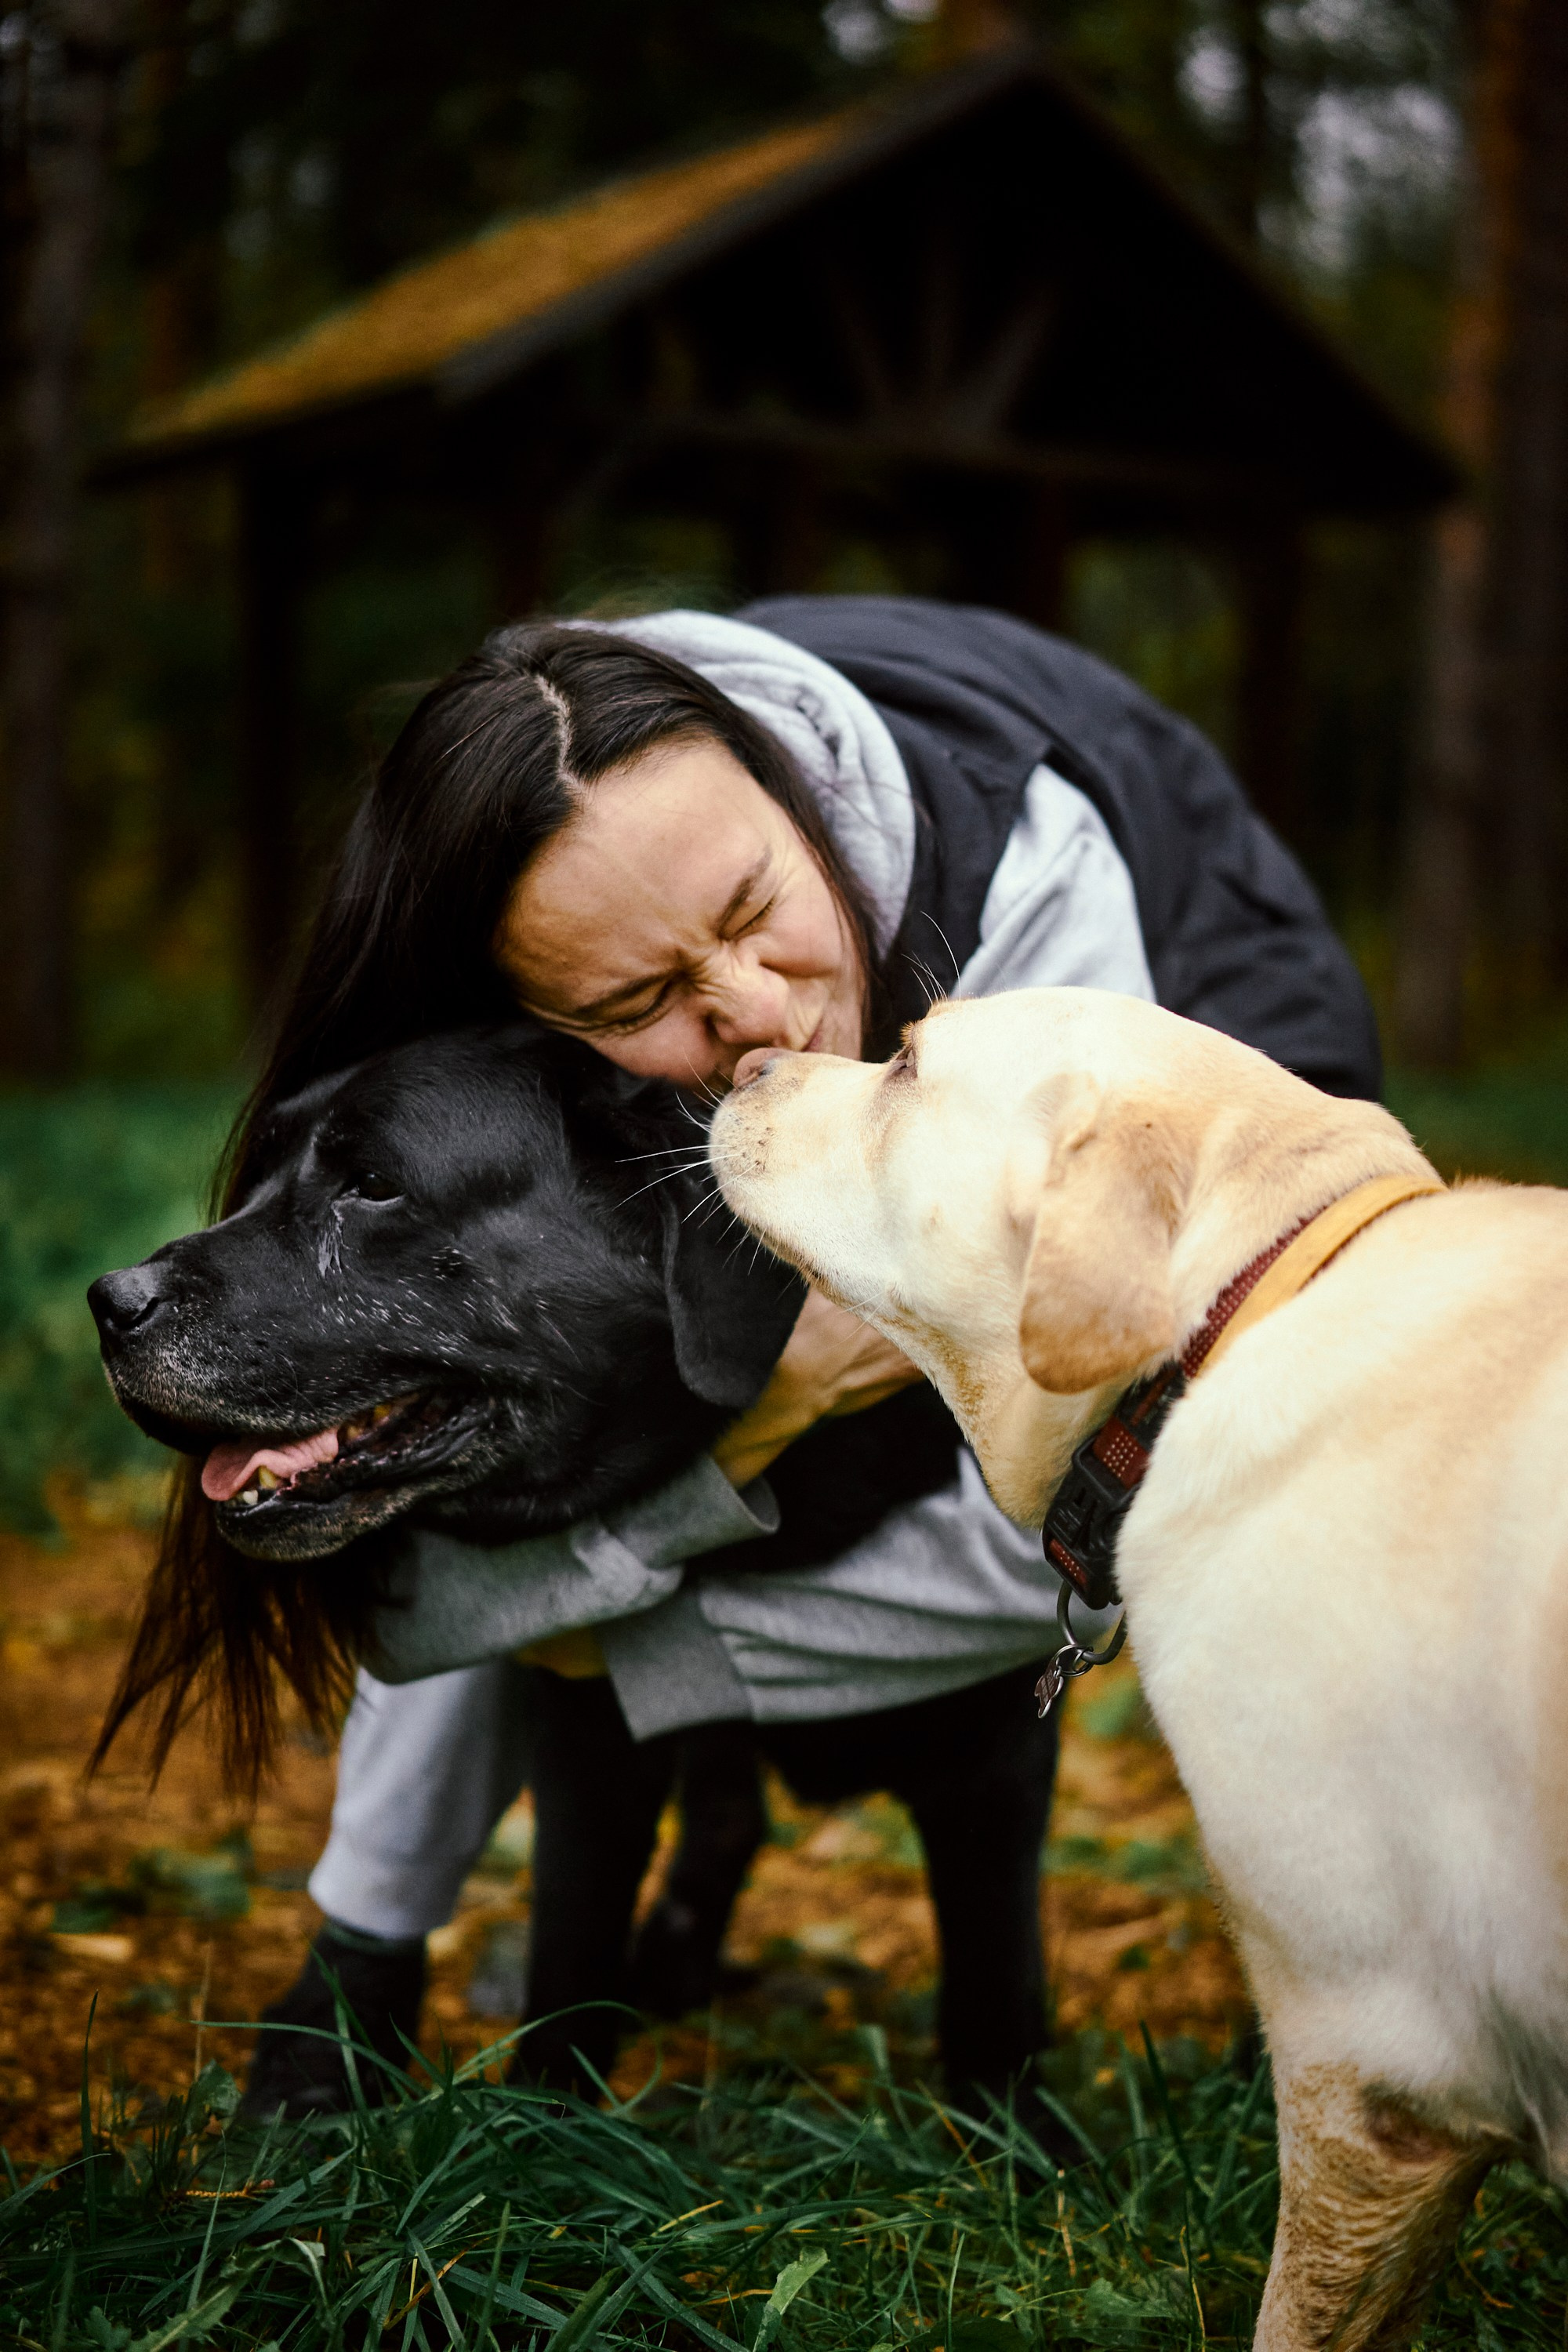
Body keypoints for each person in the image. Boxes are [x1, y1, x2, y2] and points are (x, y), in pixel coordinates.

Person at [235, 596, 1380, 2114]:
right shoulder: (523, 878)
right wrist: (754, 1418)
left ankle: (1347, 1998)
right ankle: (360, 1957)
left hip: (1190, 1020)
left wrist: (604, 1623)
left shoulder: (1034, 897)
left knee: (1179, 1482)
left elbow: (1059, 1508)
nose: (762, 1016)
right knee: (494, 1395)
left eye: (752, 908)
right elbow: (442, 1546)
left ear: (790, 799)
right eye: (639, 1000)